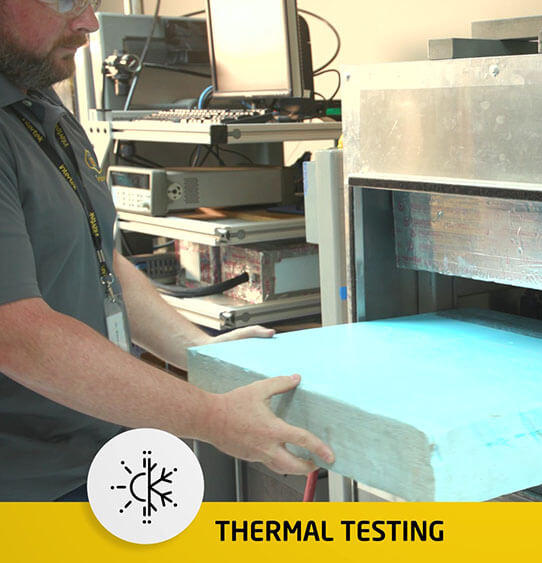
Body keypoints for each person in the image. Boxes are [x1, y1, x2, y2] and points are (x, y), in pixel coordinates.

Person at [0, 0, 335, 501]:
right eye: (66, 1)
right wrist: (214, 418)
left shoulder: (36, 92)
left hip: (94, 452)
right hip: (25, 486)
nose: (89, 22)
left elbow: (97, 258)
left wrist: (196, 350)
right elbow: (17, 335)